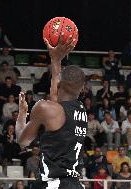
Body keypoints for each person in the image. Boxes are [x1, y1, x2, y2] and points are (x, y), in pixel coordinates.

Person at [16, 35, 87, 188]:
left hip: (53, 184)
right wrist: (56, 60)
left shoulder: (44, 108)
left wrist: (22, 115)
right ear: (82, 89)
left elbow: (22, 141)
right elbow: (57, 97)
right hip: (75, 184)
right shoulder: (81, 110)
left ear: (60, 83)